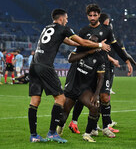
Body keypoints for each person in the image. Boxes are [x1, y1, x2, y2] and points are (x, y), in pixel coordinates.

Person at [28, 8, 110, 143]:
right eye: (66, 18)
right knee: (60, 99)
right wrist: (100, 44)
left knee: (35, 101)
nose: (67, 20)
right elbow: (82, 42)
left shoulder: (47, 28)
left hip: (34, 65)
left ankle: (34, 135)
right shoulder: (63, 28)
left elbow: (72, 42)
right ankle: (52, 133)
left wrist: (92, 46)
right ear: (61, 19)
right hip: (45, 67)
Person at [57, 4, 133, 139]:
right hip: (86, 70)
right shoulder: (83, 31)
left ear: (99, 15)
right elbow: (78, 49)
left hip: (102, 67)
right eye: (90, 15)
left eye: (95, 15)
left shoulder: (106, 30)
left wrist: (126, 60)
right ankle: (90, 128)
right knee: (86, 99)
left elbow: (115, 46)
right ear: (87, 16)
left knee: (103, 97)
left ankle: (105, 127)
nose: (92, 18)